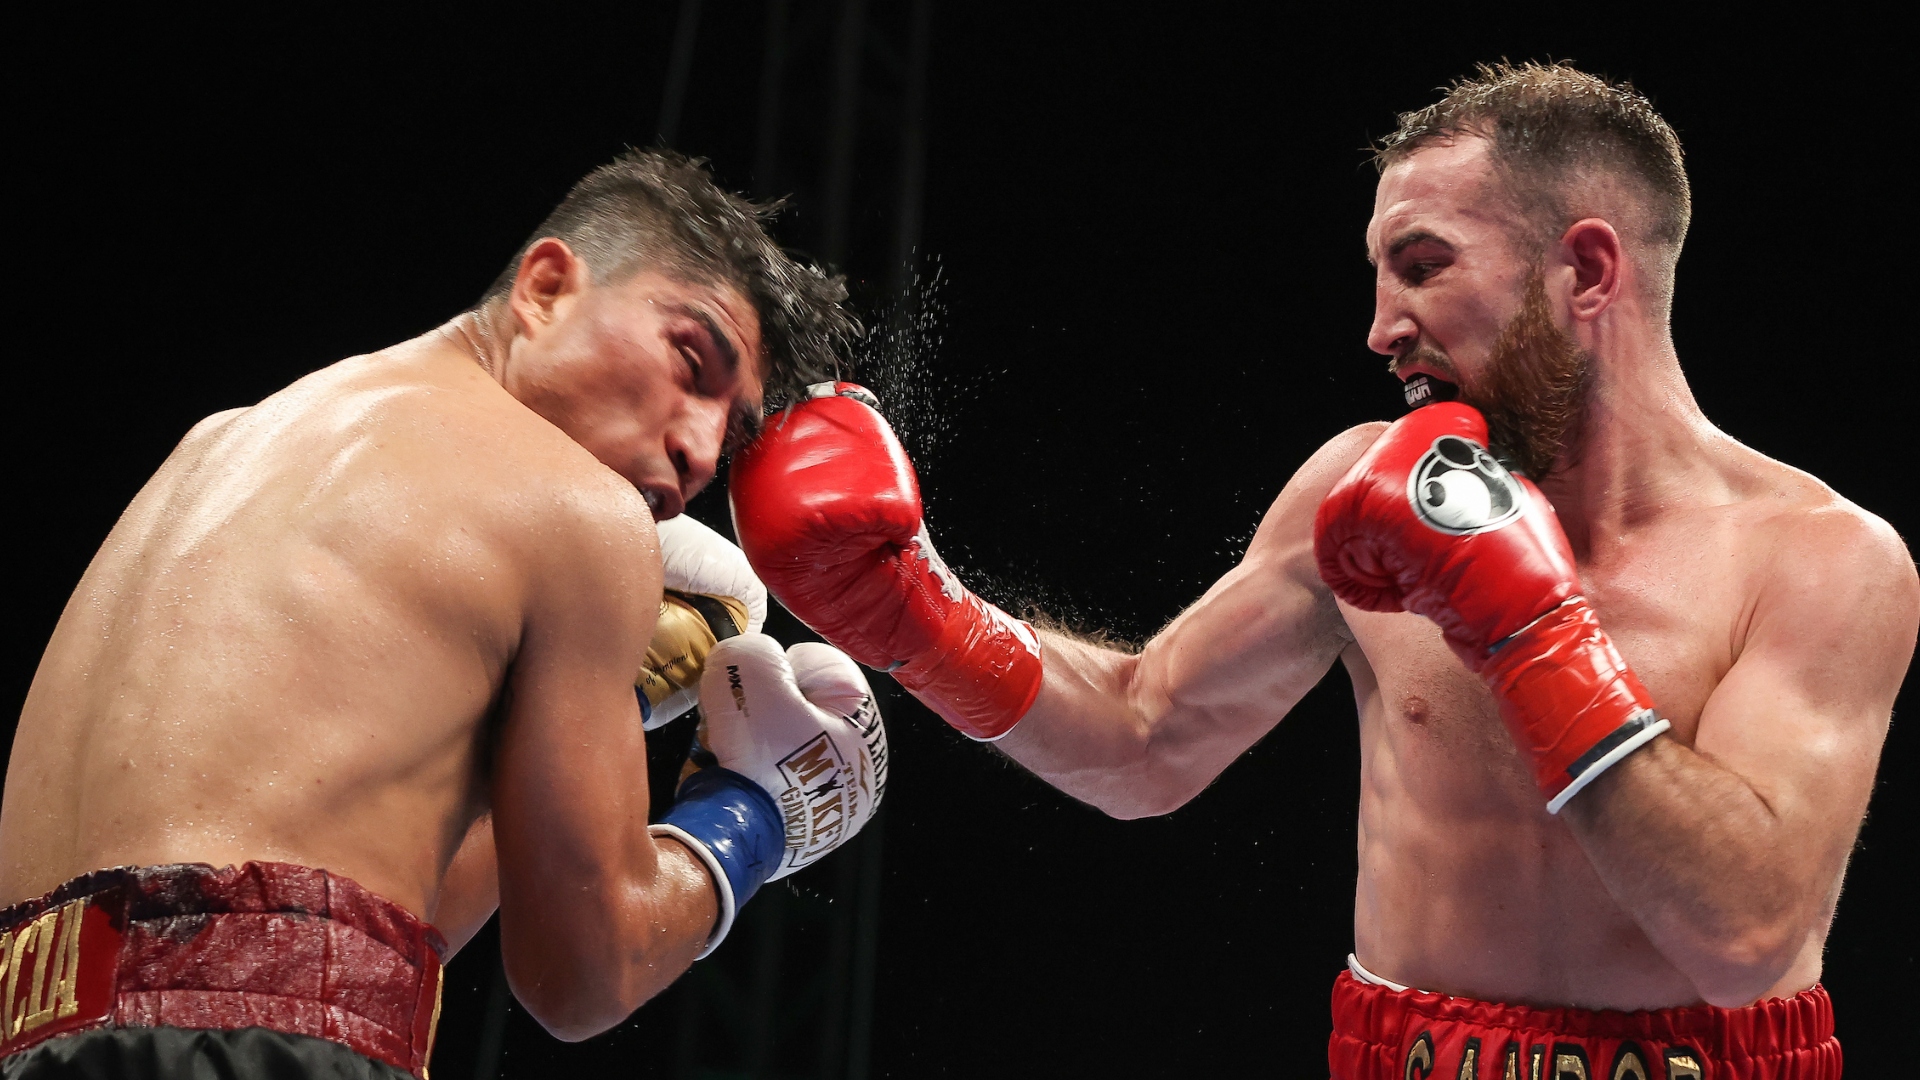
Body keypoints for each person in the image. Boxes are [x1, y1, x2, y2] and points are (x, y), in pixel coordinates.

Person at [728, 63, 1917, 1076]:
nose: (1381, 325)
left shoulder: (1818, 560)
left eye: (1424, 264)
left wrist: (1528, 632)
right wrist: (912, 615)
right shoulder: (1358, 487)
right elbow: (1147, 739)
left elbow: (1747, 936)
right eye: (1378, 276)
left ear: (1588, 272)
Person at [0, 150, 886, 1079]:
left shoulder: (214, 448)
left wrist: (605, 705)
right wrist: (753, 817)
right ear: (546, 286)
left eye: (732, 432)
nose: (701, 449)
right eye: (689, 360)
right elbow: (586, 973)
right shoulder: (582, 514)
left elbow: (352, 941)